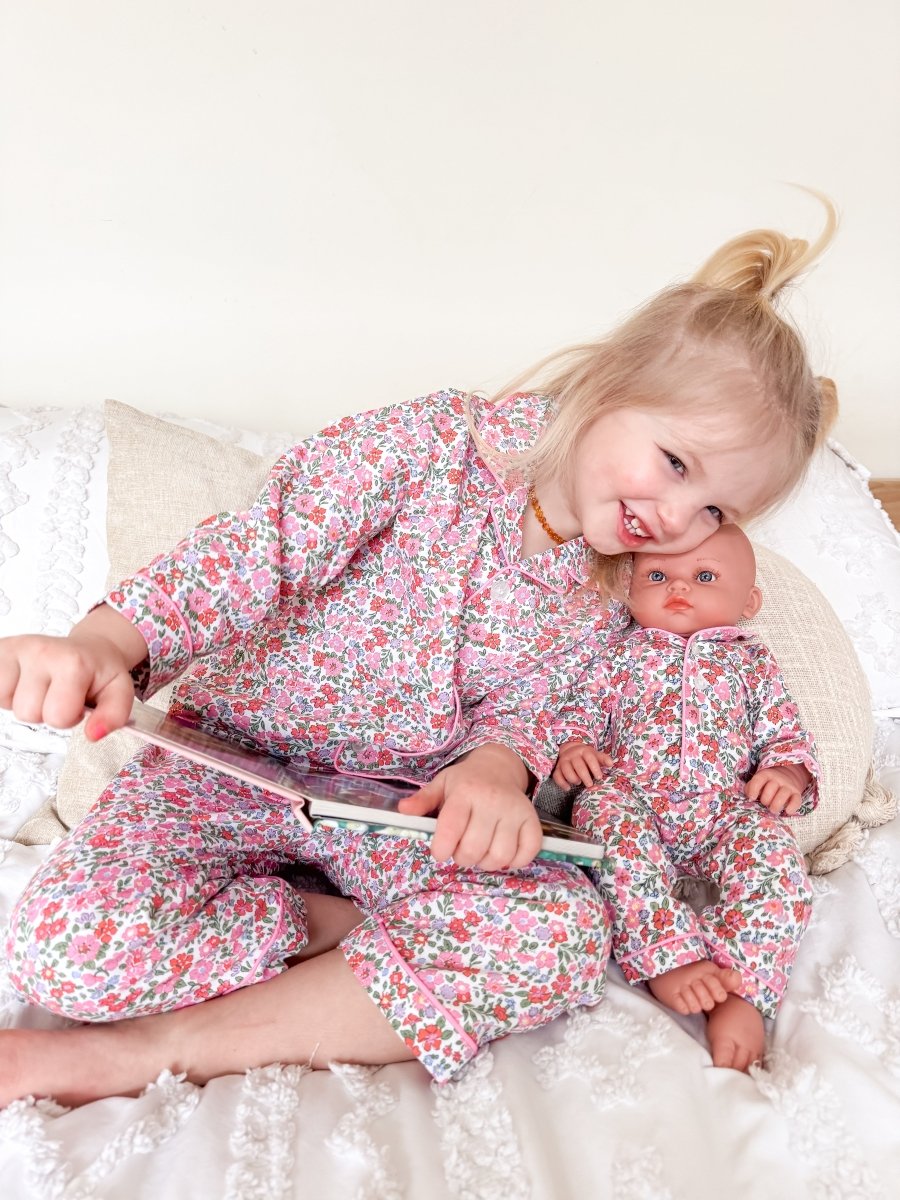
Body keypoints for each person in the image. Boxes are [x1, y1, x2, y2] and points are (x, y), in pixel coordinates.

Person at [0, 200, 836, 1108]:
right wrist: (102, 644)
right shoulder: (431, 444)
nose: (678, 522)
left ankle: (136, 1058)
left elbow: (546, 705)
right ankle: (336, 932)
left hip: (397, 813)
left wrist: (492, 773)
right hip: (226, 769)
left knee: (559, 936)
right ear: (608, 386)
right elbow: (256, 548)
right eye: (676, 463)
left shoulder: (615, 584)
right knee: (62, 946)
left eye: (716, 511)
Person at [552, 524, 817, 1072]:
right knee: (604, 824)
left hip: (725, 808)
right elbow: (576, 713)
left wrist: (787, 773)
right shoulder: (618, 657)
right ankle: (668, 958)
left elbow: (784, 734)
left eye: (703, 576)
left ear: (749, 602)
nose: (679, 586)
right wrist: (576, 746)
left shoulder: (752, 664)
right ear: (629, 590)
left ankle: (743, 989)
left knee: (776, 859)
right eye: (656, 575)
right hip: (634, 797)